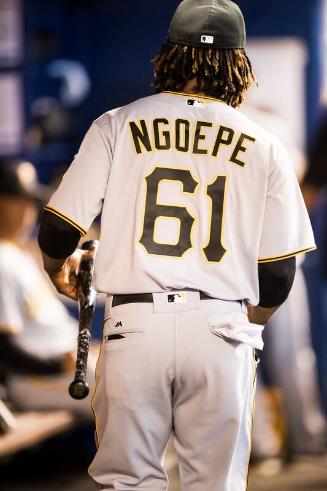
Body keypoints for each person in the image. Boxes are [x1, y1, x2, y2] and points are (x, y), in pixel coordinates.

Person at [38, 1, 316, 489]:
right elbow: (277, 277)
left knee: (127, 482)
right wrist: (231, 325)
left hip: (134, 325)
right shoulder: (264, 143)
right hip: (220, 326)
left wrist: (57, 268)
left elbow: (58, 231)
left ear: (168, 54)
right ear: (239, 64)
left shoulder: (117, 123)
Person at [0, 160, 95, 419]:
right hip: (32, 379)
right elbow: (3, 350)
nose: (28, 211)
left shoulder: (17, 254)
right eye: (18, 200)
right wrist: (59, 364)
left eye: (30, 203)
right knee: (129, 394)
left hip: (66, 365)